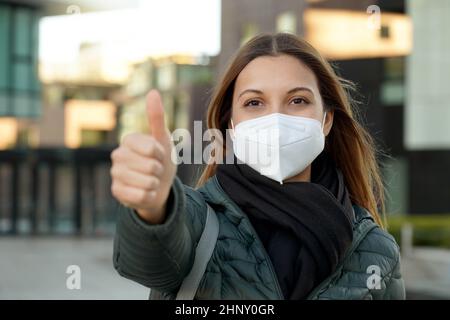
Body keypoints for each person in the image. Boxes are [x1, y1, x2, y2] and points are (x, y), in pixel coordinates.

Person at [110, 33, 405, 300]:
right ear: (232, 125)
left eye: (298, 100)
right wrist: (153, 208)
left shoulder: (375, 250)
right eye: (254, 103)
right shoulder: (199, 220)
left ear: (326, 119)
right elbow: (150, 261)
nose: (275, 118)